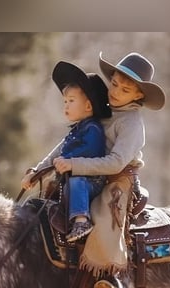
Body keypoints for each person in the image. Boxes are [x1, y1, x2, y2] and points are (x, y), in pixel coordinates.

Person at [52, 52, 166, 288]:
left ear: (138, 96)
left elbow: (115, 162)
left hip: (117, 179)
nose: (115, 92)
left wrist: (75, 165)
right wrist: (42, 168)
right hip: (84, 172)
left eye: (125, 89)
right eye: (114, 83)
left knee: (103, 217)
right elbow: (70, 142)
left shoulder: (132, 124)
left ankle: (109, 281)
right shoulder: (101, 107)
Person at [21, 61, 112, 243]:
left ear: (88, 107)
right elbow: (56, 153)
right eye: (65, 101)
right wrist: (36, 172)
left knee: (77, 182)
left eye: (71, 101)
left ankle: (81, 220)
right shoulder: (76, 129)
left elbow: (90, 151)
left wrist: (67, 161)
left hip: (90, 181)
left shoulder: (92, 129)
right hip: (71, 179)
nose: (66, 106)